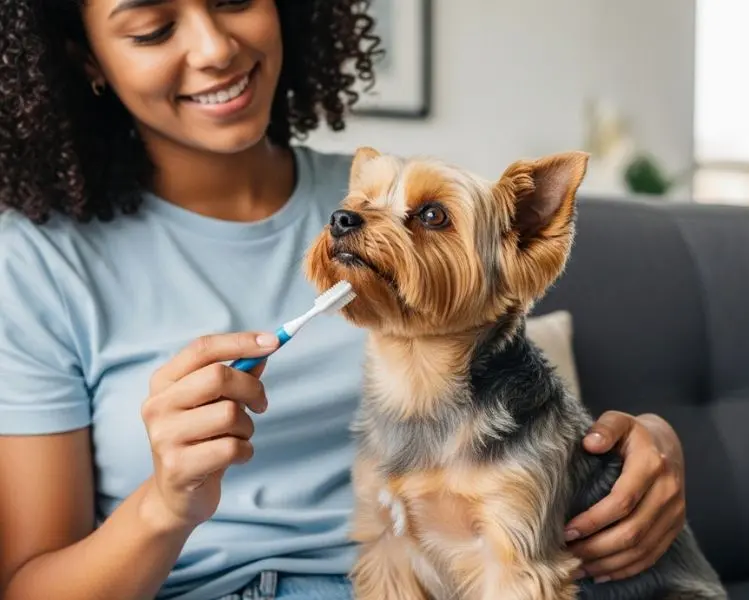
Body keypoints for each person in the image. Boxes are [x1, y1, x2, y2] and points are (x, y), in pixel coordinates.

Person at [0, 1, 688, 598]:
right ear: (82, 57)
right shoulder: (39, 261)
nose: (214, 49)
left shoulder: (391, 201)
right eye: (152, 29)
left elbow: (517, 413)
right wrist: (165, 504)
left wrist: (640, 452)